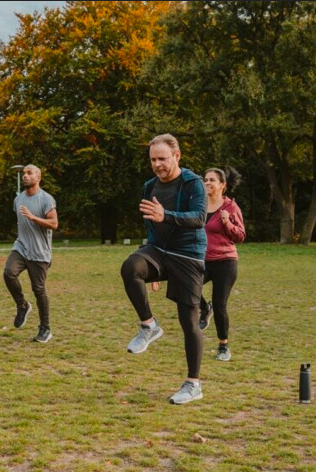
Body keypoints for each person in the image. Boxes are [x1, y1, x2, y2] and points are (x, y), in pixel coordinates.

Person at [120, 133, 207, 404]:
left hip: (187, 255)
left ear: (176, 156)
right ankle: (149, 326)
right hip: (158, 250)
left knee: (188, 321)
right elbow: (152, 225)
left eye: (162, 159)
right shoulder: (150, 186)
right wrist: (149, 262)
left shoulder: (193, 183)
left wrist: (166, 215)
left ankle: (193, 384)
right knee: (131, 267)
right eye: (153, 160)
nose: (157, 164)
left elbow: (199, 218)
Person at [3, 165, 58, 342]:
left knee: (38, 290)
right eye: (24, 173)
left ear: (38, 177)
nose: (25, 176)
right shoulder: (18, 199)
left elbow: (54, 223)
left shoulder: (46, 199)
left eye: (29, 173)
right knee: (9, 273)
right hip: (21, 248)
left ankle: (45, 329)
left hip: (39, 252)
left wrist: (33, 217)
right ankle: (22, 305)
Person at [199, 168, 245, 361]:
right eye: (205, 179)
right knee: (184, 286)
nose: (207, 183)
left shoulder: (230, 207)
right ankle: (204, 308)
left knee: (220, 304)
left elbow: (240, 236)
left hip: (225, 262)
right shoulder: (200, 205)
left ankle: (223, 346)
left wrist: (227, 222)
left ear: (222, 185)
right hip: (202, 260)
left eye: (212, 180)